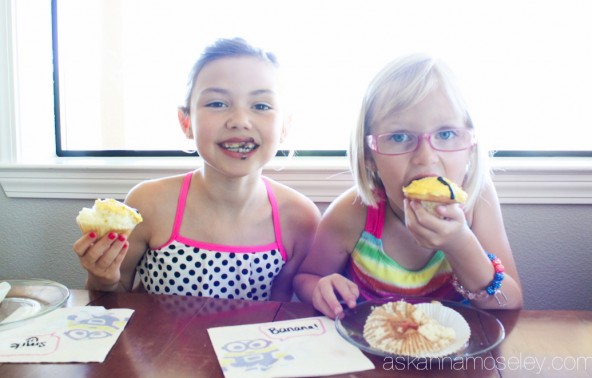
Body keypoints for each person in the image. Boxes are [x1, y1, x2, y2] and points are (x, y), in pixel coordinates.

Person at [73, 38, 321, 302]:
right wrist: (101, 277)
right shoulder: (148, 203)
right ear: (186, 122)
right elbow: (113, 298)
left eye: (261, 106)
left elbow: (280, 314)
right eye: (217, 103)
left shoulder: (301, 219)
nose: (239, 121)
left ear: (284, 126)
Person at [293, 54, 523, 318]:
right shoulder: (354, 212)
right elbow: (307, 277)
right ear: (369, 156)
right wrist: (320, 289)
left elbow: (511, 303)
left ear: (471, 145)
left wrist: (460, 244)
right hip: (372, 350)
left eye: (446, 134)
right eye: (400, 136)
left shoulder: (476, 200)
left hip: (456, 355)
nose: (425, 157)